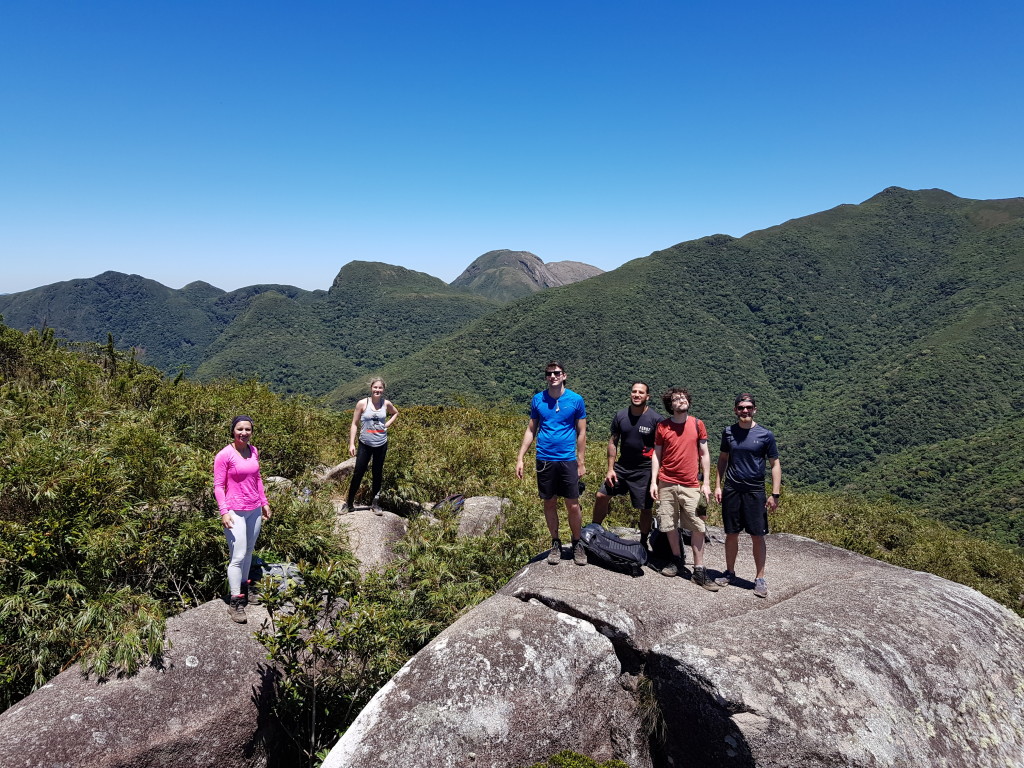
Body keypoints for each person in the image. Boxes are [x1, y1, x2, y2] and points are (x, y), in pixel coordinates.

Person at [515, 360, 588, 566]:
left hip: (567, 459)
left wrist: (581, 462)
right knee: (549, 502)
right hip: (544, 458)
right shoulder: (538, 400)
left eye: (556, 373)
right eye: (549, 374)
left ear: (564, 375)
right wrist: (520, 457)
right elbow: (531, 430)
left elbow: (582, 432)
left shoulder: (576, 400)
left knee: (572, 504)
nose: (553, 376)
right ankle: (555, 542)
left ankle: (576, 542)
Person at [714, 393, 781, 598]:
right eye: (741, 407)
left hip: (755, 491)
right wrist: (718, 485)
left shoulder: (765, 435)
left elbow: (775, 464)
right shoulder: (728, 432)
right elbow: (723, 460)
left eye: (749, 407)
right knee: (731, 533)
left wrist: (775, 494)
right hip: (732, 489)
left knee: (757, 535)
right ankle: (730, 572)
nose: (745, 411)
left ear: (754, 410)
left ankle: (760, 578)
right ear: (735, 410)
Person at [649, 388, 717, 589]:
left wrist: (706, 483)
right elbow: (656, 454)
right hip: (666, 482)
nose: (681, 401)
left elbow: (704, 454)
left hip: (691, 484)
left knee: (698, 525)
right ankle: (677, 559)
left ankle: (699, 569)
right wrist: (654, 481)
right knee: (669, 523)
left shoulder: (697, 424)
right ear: (671, 405)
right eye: (676, 399)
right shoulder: (663, 426)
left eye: (684, 398)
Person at [214, 415, 273, 624]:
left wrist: (264, 502)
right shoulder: (225, 455)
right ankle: (235, 601)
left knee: (249, 551)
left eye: (248, 429)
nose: (244, 433)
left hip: (254, 509)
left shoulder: (253, 450)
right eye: (240, 429)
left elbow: (257, 478)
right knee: (237, 556)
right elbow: (218, 486)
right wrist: (224, 512)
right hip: (234, 510)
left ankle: (245, 589)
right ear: (233, 431)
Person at [591, 381, 663, 548]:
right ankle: (594, 530)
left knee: (645, 507)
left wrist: (657, 476)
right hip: (622, 467)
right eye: (634, 391)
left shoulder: (656, 419)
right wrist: (610, 469)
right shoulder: (621, 416)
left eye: (641, 392)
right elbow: (612, 442)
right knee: (601, 495)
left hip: (645, 469)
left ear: (647, 397)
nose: (637, 395)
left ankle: (643, 542)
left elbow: (662, 449)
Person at [347, 378, 399, 515]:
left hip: (381, 443)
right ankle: (349, 503)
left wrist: (387, 424)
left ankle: (375, 504)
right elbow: (354, 424)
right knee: (358, 472)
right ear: (371, 388)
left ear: (383, 389)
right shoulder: (362, 404)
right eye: (375, 387)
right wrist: (352, 443)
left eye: (380, 388)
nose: (377, 390)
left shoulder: (386, 404)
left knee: (377, 473)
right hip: (365, 443)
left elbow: (395, 413)